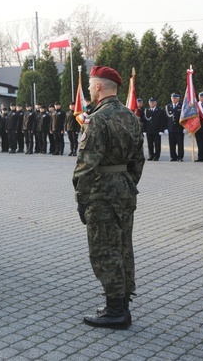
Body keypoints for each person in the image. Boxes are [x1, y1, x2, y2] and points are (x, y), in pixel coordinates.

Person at [73, 65, 144, 329]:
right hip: (124, 188)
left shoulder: (97, 118)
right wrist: (127, 182)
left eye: (91, 85)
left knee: (104, 250)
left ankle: (116, 311)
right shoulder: (130, 117)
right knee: (123, 246)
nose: (89, 89)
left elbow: (86, 163)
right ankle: (122, 302)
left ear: (100, 87)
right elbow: (138, 159)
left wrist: (81, 198)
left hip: (102, 190)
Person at [165, 93, 184, 161]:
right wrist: (166, 128)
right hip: (171, 128)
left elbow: (184, 117)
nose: (174, 99)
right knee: (172, 144)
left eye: (175, 98)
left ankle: (180, 157)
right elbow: (165, 119)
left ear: (178, 99)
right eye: (172, 98)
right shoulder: (168, 106)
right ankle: (173, 156)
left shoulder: (182, 106)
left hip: (179, 128)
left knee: (180, 144)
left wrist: (184, 128)